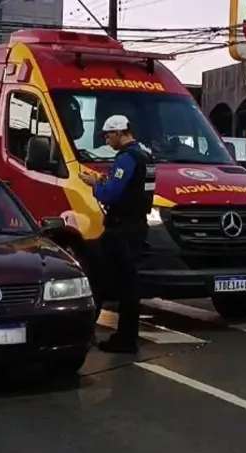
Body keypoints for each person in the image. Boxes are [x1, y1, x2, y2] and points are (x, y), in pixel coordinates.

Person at [78, 115, 156, 354]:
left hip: (122, 229)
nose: (106, 139)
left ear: (120, 133)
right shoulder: (146, 156)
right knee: (127, 283)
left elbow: (110, 194)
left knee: (101, 278)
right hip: (138, 226)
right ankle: (124, 337)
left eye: (108, 135)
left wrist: (94, 184)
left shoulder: (126, 158)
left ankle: (110, 337)